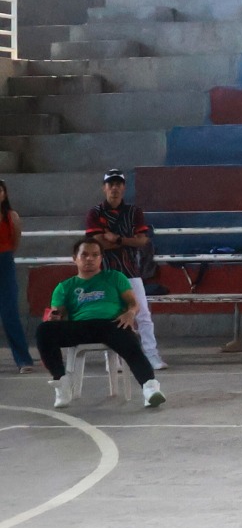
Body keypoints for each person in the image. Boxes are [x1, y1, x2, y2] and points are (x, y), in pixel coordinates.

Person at [39, 236, 164, 409]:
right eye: (85, 255)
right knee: (44, 330)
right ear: (75, 258)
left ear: (101, 258)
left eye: (95, 255)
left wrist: (130, 313)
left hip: (111, 324)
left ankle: (149, 388)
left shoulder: (115, 277)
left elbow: (133, 303)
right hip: (80, 327)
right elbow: (58, 312)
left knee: (130, 342)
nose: (90, 259)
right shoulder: (65, 286)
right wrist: (55, 317)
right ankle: (61, 382)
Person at [84, 170, 162, 369]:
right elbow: (97, 243)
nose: (115, 188)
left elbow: (143, 240)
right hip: (106, 272)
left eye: (118, 184)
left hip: (130, 270)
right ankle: (114, 360)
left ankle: (152, 356)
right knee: (110, 314)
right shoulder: (95, 213)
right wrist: (128, 242)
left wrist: (116, 239)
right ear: (104, 188)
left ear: (124, 188)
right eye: (111, 184)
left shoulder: (134, 212)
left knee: (143, 314)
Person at [0, 179, 29, 373]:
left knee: (10, 313)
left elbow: (15, 242)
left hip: (5, 262)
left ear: (5, 194)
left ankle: (23, 360)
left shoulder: (12, 216)